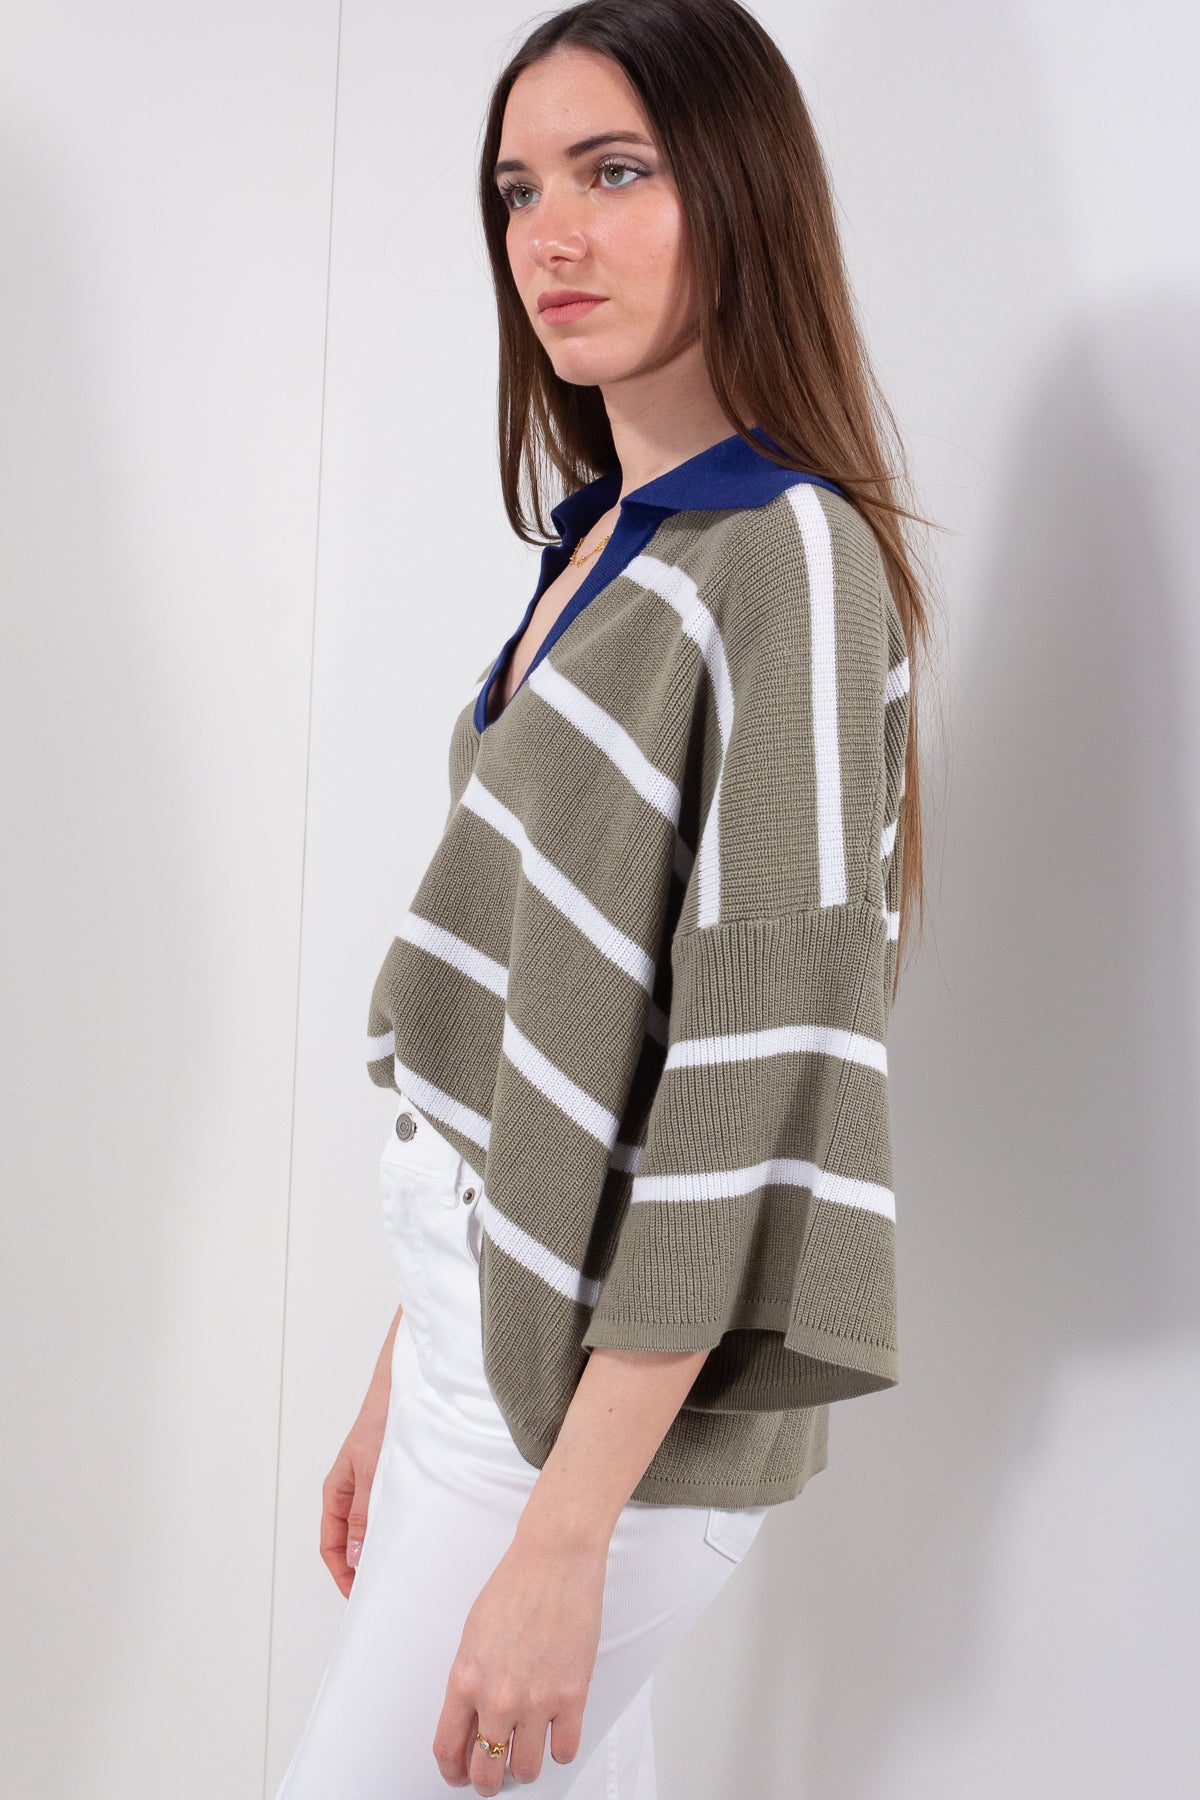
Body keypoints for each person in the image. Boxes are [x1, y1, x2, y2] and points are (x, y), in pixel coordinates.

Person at [275, 0, 937, 1794]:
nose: (550, 236)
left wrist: (565, 1539)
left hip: (591, 1432)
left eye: (615, 172)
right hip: (483, 1353)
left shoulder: (789, 555)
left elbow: (744, 1082)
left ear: (742, 190)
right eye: (519, 189)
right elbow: (536, 1033)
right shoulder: (604, 544)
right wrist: (403, 1367)